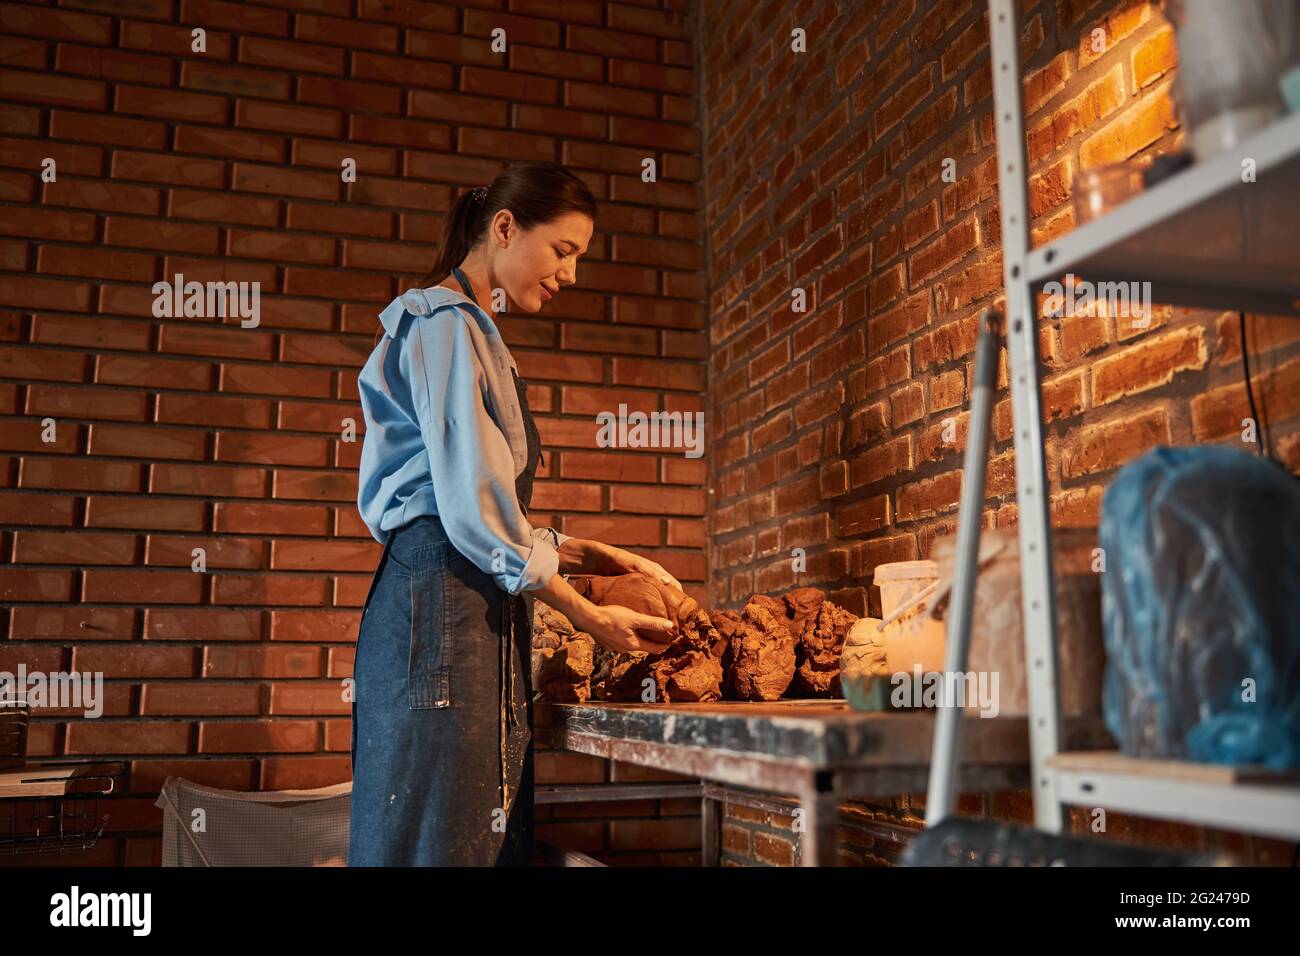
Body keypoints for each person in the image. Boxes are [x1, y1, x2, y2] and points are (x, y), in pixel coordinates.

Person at [348, 160, 684, 866]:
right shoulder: (443, 325)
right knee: (440, 841)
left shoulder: (467, 328)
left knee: (475, 833)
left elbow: (467, 504)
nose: (570, 274)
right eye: (563, 251)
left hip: (457, 604)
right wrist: (592, 616)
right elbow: (467, 518)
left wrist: (593, 554)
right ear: (504, 227)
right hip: (439, 607)